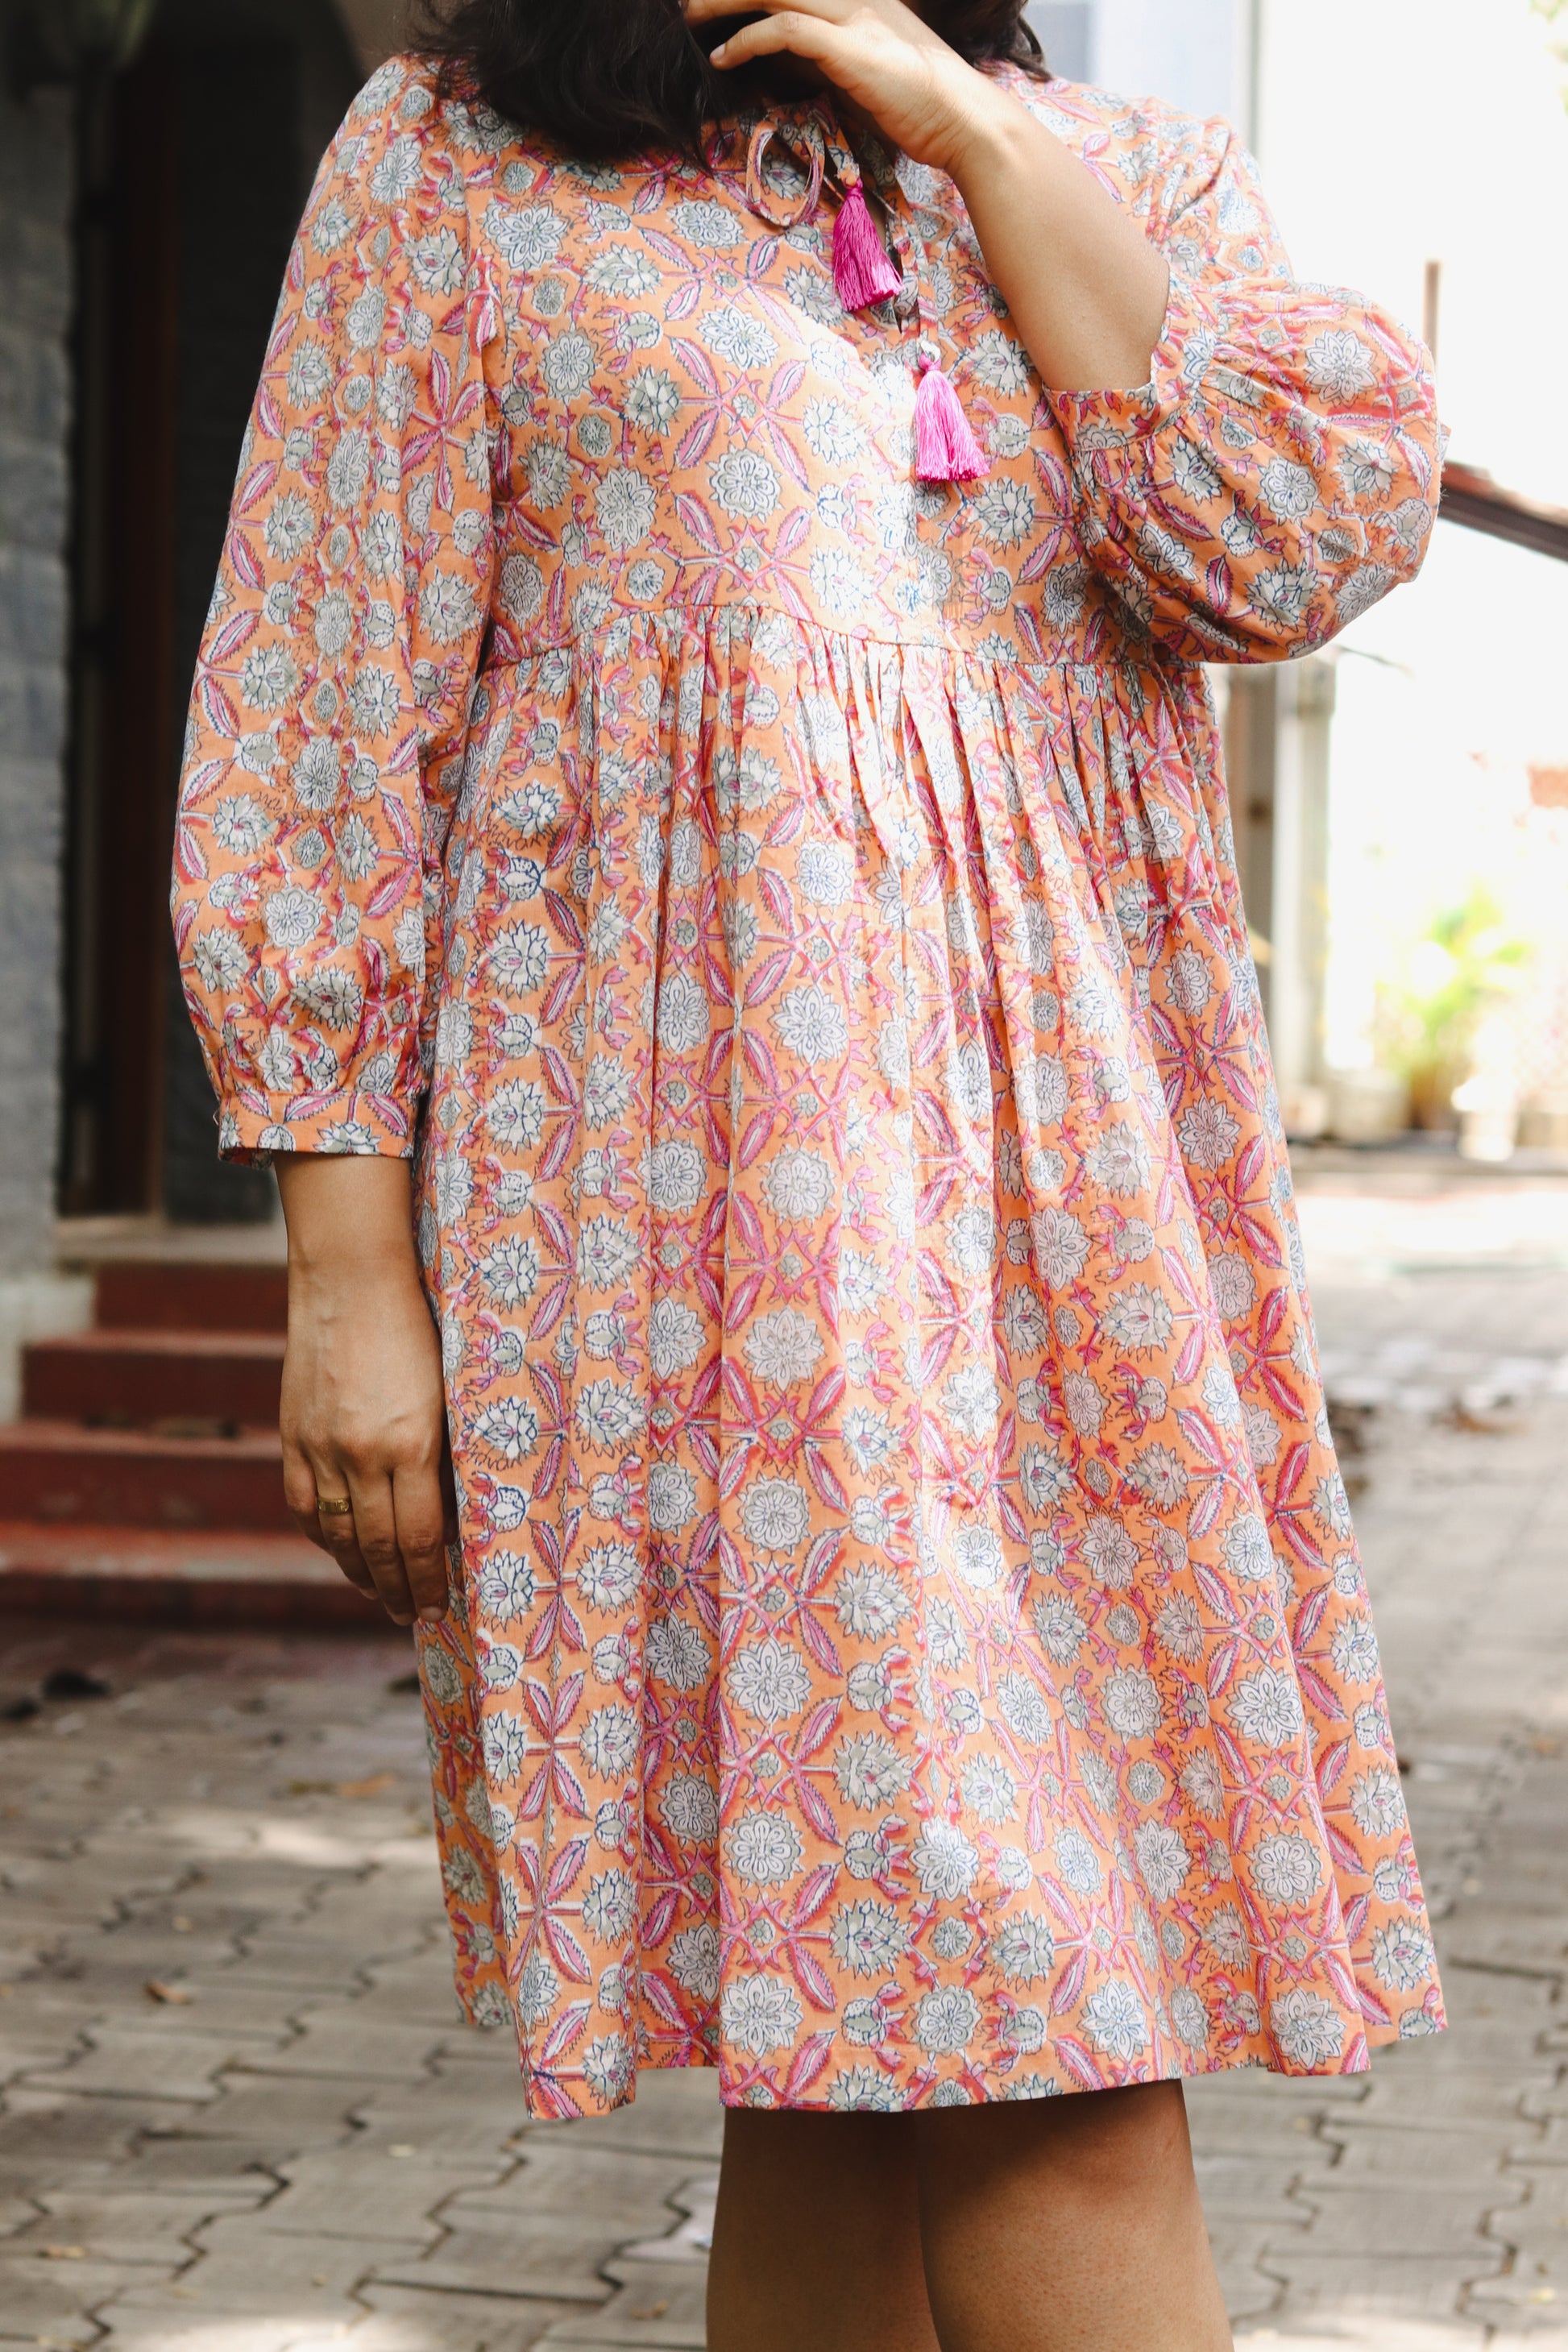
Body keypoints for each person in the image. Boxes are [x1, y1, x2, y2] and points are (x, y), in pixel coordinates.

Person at [170, 2, 1446, 2342]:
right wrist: (345, 1269)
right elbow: (317, 729)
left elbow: (1285, 538)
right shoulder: (448, 168)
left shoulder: (1116, 173)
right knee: (1012, 2004)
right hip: (695, 1231)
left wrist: (962, 127)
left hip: (1086, 1246)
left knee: (877, 2039)